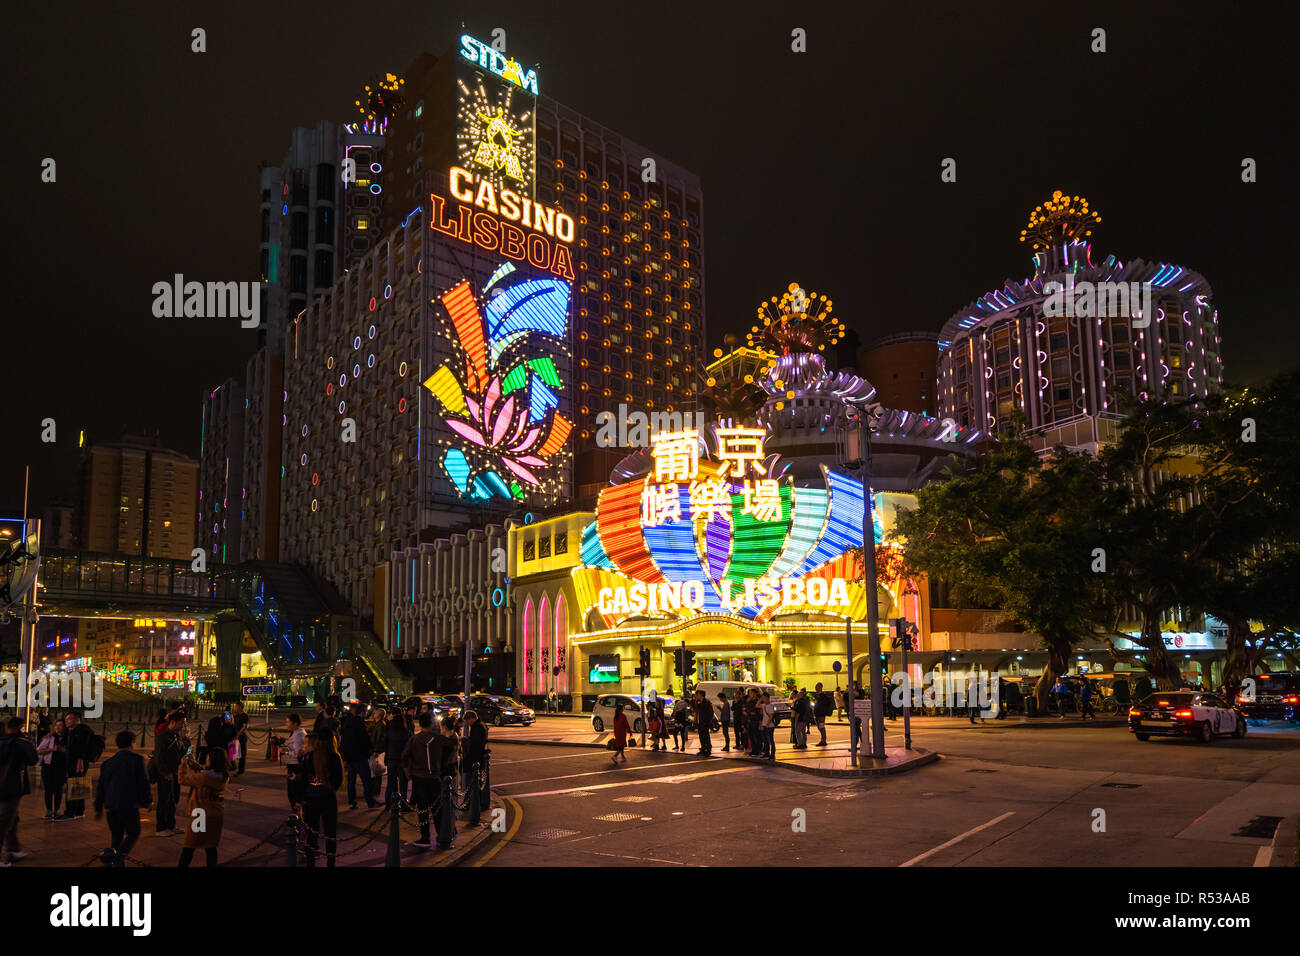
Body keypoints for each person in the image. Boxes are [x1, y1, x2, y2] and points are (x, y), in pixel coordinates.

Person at [93, 730, 151, 867]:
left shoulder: (108, 763)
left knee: (116, 835)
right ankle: (116, 858)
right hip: (129, 804)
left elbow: (101, 786)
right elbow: (143, 782)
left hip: (111, 805)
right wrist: (148, 801)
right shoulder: (137, 760)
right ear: (132, 743)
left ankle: (114, 861)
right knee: (134, 832)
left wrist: (98, 807)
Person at [402, 712, 449, 850]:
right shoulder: (439, 739)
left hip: (419, 779)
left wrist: (408, 774)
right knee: (437, 809)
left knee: (422, 810)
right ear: (432, 723)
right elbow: (449, 753)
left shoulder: (414, 739)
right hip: (434, 778)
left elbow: (404, 757)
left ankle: (425, 838)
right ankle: (441, 837)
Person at [177, 747, 227, 866]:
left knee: (189, 847)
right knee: (210, 848)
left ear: (213, 760)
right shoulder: (223, 776)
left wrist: (183, 765)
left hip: (200, 815)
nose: (207, 759)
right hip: (216, 815)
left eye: (208, 758)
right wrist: (194, 765)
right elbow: (204, 771)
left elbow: (182, 779)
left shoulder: (203, 777)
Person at [0, 717, 38, 866]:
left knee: (12, 818)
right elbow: (33, 760)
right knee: (4, 821)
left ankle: (13, 849)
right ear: (20, 727)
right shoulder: (21, 743)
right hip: (12, 786)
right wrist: (29, 741)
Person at [300, 732, 343, 866]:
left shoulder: (310, 756)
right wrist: (330, 788)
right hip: (328, 797)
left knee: (312, 832)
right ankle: (331, 862)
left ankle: (310, 861)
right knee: (330, 833)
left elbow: (303, 777)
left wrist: (305, 794)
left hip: (311, 796)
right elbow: (338, 779)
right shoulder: (334, 757)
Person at [57, 711, 100, 821]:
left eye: (70, 719)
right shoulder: (73, 731)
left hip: (77, 762)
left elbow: (82, 747)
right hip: (75, 761)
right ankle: (79, 811)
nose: (67, 721)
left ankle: (70, 812)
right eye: (66, 719)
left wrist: (80, 761)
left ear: (77, 720)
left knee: (73, 785)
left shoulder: (81, 731)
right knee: (79, 785)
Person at [152, 711, 188, 837]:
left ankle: (171, 825)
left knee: (173, 800)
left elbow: (184, 752)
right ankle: (160, 828)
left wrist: (186, 739)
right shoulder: (163, 736)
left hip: (175, 772)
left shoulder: (176, 735)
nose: (184, 726)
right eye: (182, 723)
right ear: (173, 722)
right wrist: (164, 772)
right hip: (166, 774)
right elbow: (158, 756)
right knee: (164, 800)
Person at [339, 702, 379, 810]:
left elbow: (343, 739)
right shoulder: (360, 723)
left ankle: (351, 802)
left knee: (351, 781)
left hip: (349, 756)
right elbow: (364, 740)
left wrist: (344, 755)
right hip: (359, 756)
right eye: (365, 712)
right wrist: (370, 751)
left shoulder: (347, 722)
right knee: (367, 780)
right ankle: (370, 801)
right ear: (362, 712)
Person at [36, 717, 68, 819]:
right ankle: (49, 810)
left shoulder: (69, 738)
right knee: (48, 790)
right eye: (56, 725)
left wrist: (65, 751)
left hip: (61, 768)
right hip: (48, 767)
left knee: (58, 790)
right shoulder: (49, 738)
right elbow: (39, 751)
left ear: (65, 727)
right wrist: (51, 749)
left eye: (61, 725)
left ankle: (57, 810)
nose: (58, 728)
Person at [385, 704, 413, 806]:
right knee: (403, 783)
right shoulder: (406, 725)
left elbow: (386, 742)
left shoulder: (389, 725)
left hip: (391, 757)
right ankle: (404, 802)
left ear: (392, 714)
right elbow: (410, 742)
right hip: (402, 758)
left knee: (390, 782)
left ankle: (388, 803)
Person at [461, 709, 488, 814]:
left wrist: (467, 744)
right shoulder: (481, 725)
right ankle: (475, 802)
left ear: (471, 718)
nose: (468, 723)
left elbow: (475, 746)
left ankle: (469, 804)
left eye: (468, 721)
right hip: (478, 759)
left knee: (470, 782)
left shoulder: (476, 728)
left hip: (474, 760)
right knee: (475, 782)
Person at [283, 713, 307, 809]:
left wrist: (286, 752)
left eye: (288, 722)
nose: (286, 724)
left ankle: (296, 808)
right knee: (296, 788)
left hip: (295, 765)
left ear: (295, 724)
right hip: (295, 764)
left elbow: (298, 753)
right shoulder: (297, 733)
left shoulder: (298, 736)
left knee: (294, 788)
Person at [230, 702, 250, 776]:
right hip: (235, 736)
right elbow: (232, 723)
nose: (235, 708)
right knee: (233, 753)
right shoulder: (236, 716)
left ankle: (241, 770)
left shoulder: (245, 716)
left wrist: (238, 734)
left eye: (236, 707)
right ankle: (233, 766)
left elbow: (245, 726)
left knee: (242, 754)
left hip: (241, 737)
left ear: (240, 707)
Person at [693, 690, 713, 755]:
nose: (696, 696)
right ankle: (703, 748)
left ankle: (708, 749)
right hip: (700, 722)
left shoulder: (706, 702)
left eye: (697, 695)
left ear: (701, 695)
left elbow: (710, 713)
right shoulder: (698, 702)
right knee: (701, 736)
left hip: (705, 722)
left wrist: (707, 722)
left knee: (706, 736)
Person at [813, 683, 833, 747]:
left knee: (821, 727)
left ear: (821, 687)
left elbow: (826, 704)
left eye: (818, 686)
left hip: (821, 714)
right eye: (816, 686)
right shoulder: (816, 695)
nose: (816, 688)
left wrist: (824, 711)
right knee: (819, 727)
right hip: (817, 713)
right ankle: (823, 739)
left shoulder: (823, 696)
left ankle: (823, 740)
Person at [744, 688, 763, 756]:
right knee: (751, 736)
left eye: (751, 693)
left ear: (755, 693)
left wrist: (749, 713)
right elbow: (746, 708)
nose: (750, 694)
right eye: (750, 693)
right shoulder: (749, 701)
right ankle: (754, 749)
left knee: (756, 736)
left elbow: (756, 712)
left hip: (755, 720)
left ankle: (758, 750)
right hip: (749, 720)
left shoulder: (757, 701)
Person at [759, 693, 776, 761]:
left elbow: (771, 716)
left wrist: (767, 724)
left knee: (770, 740)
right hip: (764, 724)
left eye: (764, 698)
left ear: (767, 698)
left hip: (769, 726)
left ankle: (772, 754)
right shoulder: (764, 705)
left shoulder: (770, 705)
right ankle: (766, 753)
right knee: (765, 740)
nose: (763, 699)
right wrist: (760, 699)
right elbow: (757, 705)